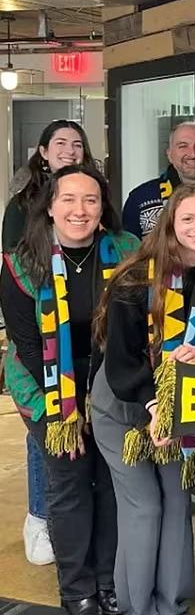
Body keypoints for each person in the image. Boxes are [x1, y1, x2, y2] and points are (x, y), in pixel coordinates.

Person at [90, 186, 195, 615]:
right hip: (127, 405)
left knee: (177, 504)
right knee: (144, 507)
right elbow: (120, 364)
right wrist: (157, 405)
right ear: (170, 224)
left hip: (184, 407)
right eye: (189, 219)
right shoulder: (136, 278)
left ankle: (172, 609)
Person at [1, 164, 138, 615]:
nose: (80, 210)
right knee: (70, 478)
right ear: (50, 207)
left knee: (112, 479)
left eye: (91, 200)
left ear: (103, 207)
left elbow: (133, 326)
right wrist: (67, 407)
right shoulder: (21, 261)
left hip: (107, 375)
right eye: (69, 200)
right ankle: (76, 583)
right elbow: (26, 342)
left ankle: (107, 578)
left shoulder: (126, 251)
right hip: (42, 380)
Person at [121, 120, 195, 517]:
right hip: (151, 345)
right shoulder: (141, 203)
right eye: (183, 146)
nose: (193, 153)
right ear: (169, 153)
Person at [2, 119, 97, 568]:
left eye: (77, 144)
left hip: (88, 365)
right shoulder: (22, 209)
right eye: (60, 143)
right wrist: (67, 397)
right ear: (42, 151)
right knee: (55, 454)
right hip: (40, 365)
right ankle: (40, 518)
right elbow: (25, 336)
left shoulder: (111, 241)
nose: (69, 149)